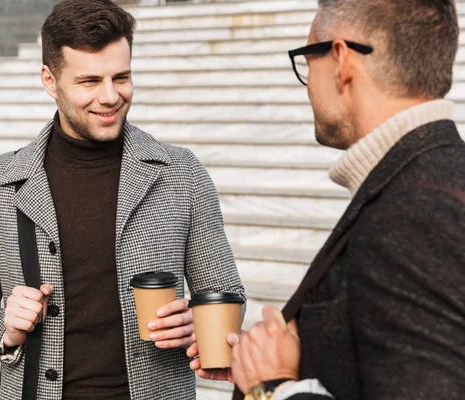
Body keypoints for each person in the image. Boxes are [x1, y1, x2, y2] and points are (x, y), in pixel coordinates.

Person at [0, 1, 245, 399]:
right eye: (89, 81)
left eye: (121, 77)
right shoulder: (0, 181)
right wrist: (5, 327)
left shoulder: (181, 172)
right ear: (50, 81)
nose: (110, 96)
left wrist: (198, 324)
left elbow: (226, 293)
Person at [189, 0, 465, 399]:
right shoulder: (434, 176)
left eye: (308, 60)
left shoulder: (413, 215)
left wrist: (274, 388)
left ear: (340, 60)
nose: (308, 85)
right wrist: (285, 363)